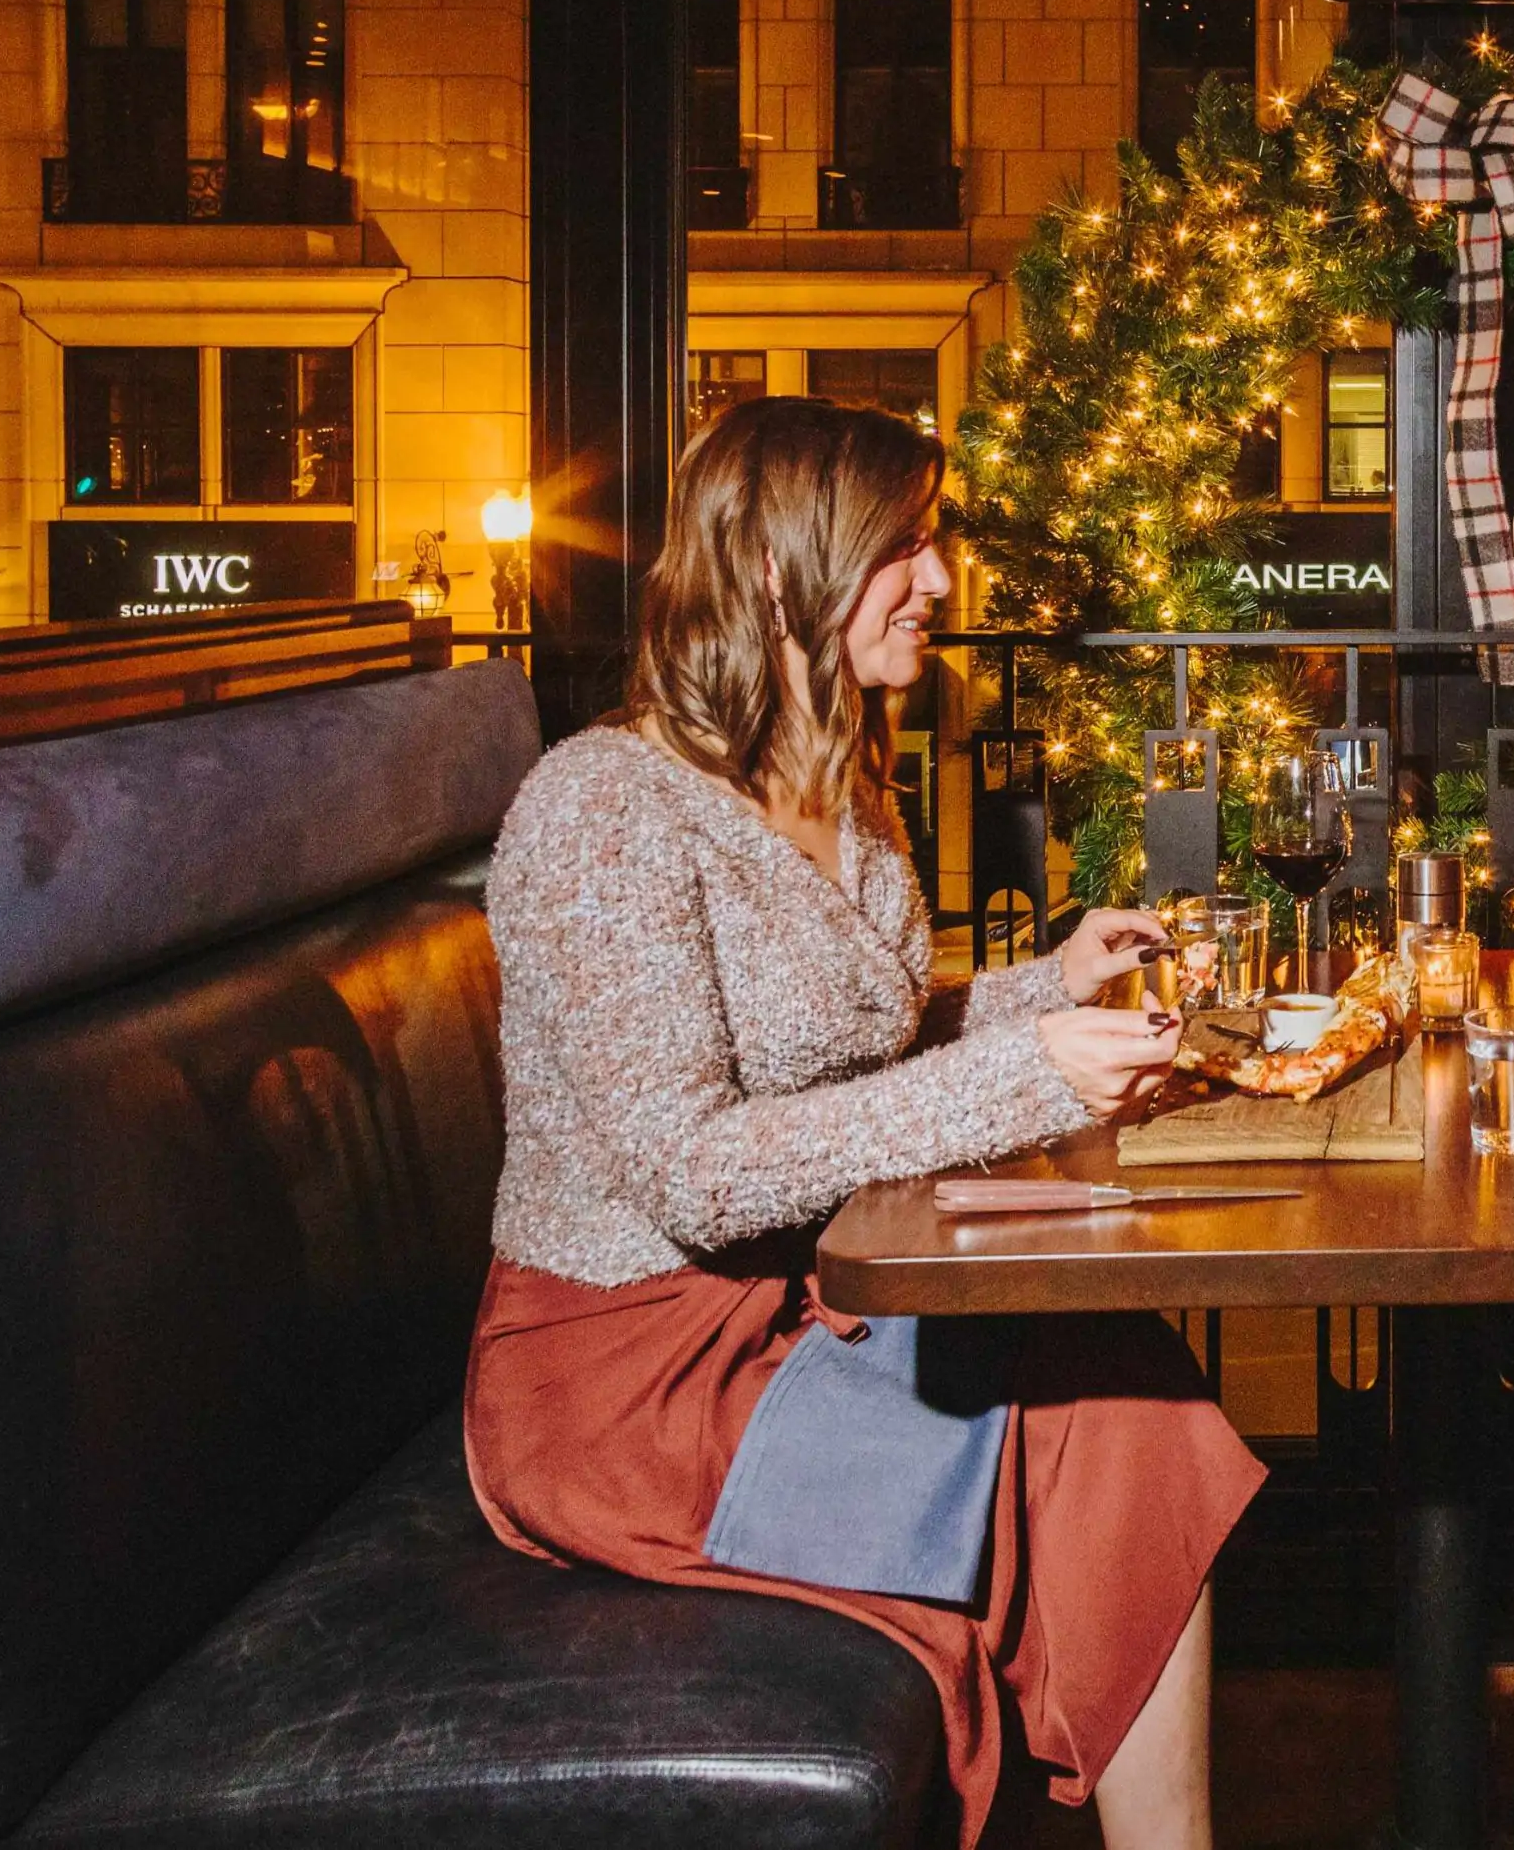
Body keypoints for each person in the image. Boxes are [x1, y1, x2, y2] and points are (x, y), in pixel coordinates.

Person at [463, 395, 1263, 1850]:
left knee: (1122, 1370)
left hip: (805, 1300)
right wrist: (1034, 1075)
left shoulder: (843, 776)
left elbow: (857, 1044)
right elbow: (694, 1168)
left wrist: (1042, 990)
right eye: (905, 544)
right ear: (779, 571)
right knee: (1113, 1409)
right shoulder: (602, 809)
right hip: (637, 1373)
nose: (944, 581)